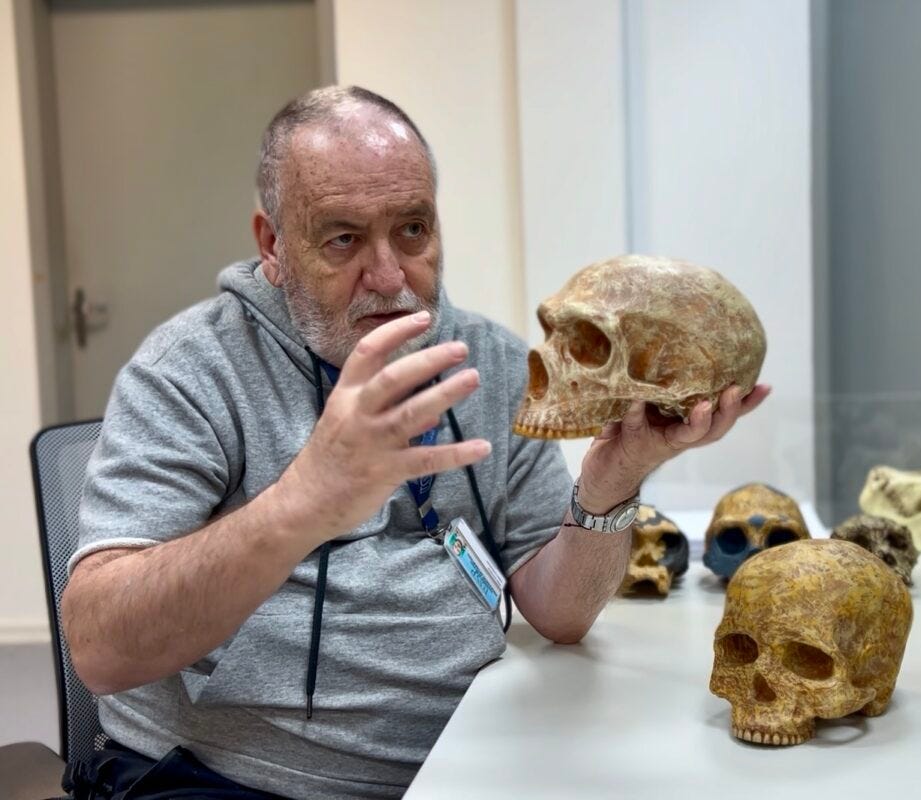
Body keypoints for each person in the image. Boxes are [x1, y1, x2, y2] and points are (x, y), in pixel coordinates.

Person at [60, 85, 769, 799]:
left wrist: (616, 478)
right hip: (232, 779)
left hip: (468, 762)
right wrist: (303, 503)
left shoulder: (491, 364)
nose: (390, 276)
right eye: (342, 238)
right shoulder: (192, 370)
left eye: (412, 229)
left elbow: (561, 613)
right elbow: (100, 650)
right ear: (273, 245)